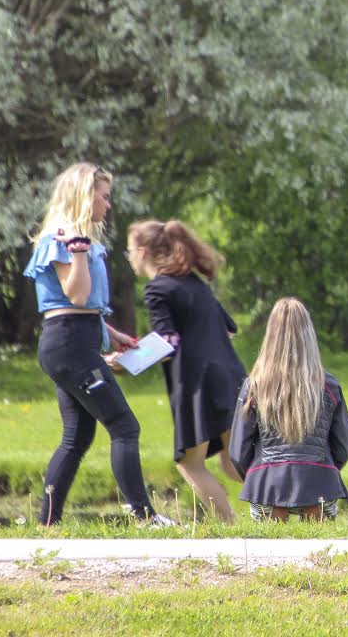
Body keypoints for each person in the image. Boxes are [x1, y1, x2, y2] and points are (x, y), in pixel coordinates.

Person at [23, 162, 172, 526]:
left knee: (76, 437)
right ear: (84, 195)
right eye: (103, 197)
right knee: (124, 426)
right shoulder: (63, 239)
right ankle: (144, 517)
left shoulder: (78, 240)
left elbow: (79, 306)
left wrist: (110, 334)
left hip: (74, 341)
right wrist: (76, 251)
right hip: (70, 344)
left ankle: (48, 525)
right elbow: (75, 296)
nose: (108, 205)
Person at [127, 219, 247, 521]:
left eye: (129, 251)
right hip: (232, 376)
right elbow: (229, 328)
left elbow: (167, 342)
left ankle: (232, 531)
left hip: (197, 386)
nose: (129, 257)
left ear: (142, 252)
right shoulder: (195, 282)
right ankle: (283, 505)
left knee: (190, 464)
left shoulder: (157, 290)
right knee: (232, 463)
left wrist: (125, 362)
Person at [231, 297, 348, 521]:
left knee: (268, 553)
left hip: (267, 486)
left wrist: (255, 477)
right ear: (309, 335)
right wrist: (324, 472)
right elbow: (344, 449)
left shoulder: (254, 386)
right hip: (321, 486)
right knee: (321, 553)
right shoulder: (329, 385)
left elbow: (238, 453)